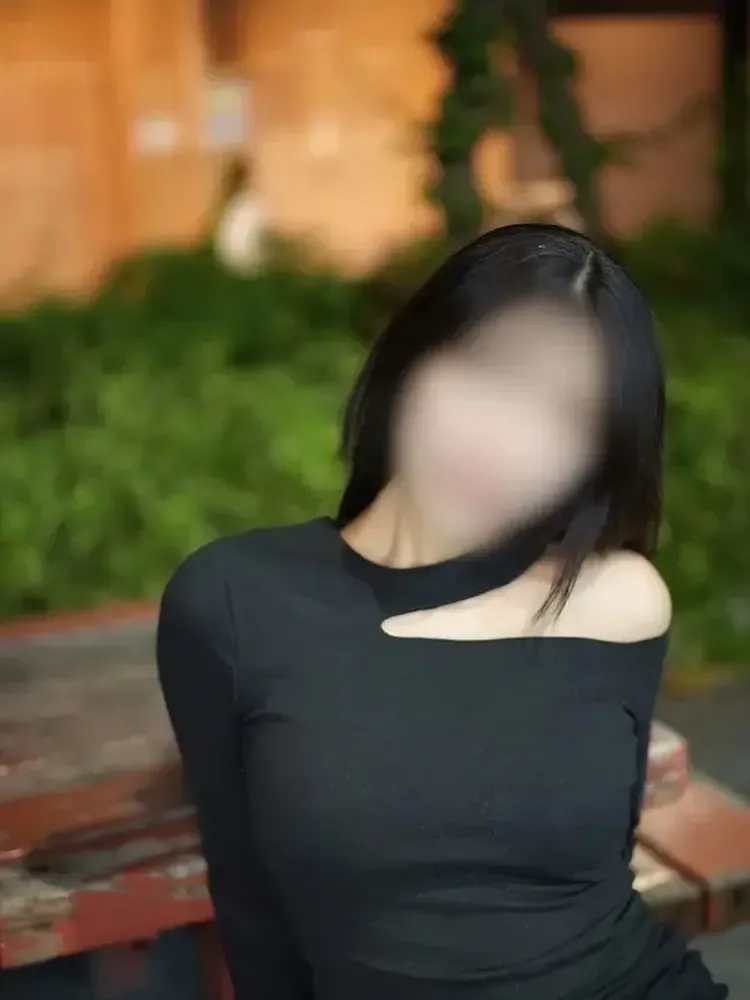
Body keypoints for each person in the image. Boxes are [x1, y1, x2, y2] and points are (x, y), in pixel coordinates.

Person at [156, 223, 727, 1000]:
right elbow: (252, 908)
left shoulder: (615, 597)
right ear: (413, 356)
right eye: (492, 372)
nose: (507, 440)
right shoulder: (233, 600)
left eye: (566, 416)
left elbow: (587, 880)